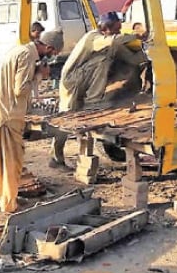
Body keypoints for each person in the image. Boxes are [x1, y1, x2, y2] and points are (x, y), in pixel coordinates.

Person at [0, 30, 64, 213]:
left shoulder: (21, 50)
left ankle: (4, 197)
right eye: (53, 53)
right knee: (12, 160)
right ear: (48, 47)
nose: (52, 57)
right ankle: (9, 204)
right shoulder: (27, 56)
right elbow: (20, 90)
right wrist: (39, 76)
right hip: (5, 113)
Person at [50, 11, 148, 168]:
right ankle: (56, 157)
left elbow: (132, 59)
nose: (119, 32)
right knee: (67, 116)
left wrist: (151, 56)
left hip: (84, 79)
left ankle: (94, 101)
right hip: (72, 80)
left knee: (75, 115)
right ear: (106, 29)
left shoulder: (110, 42)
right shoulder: (93, 38)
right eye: (116, 29)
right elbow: (115, 42)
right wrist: (137, 35)